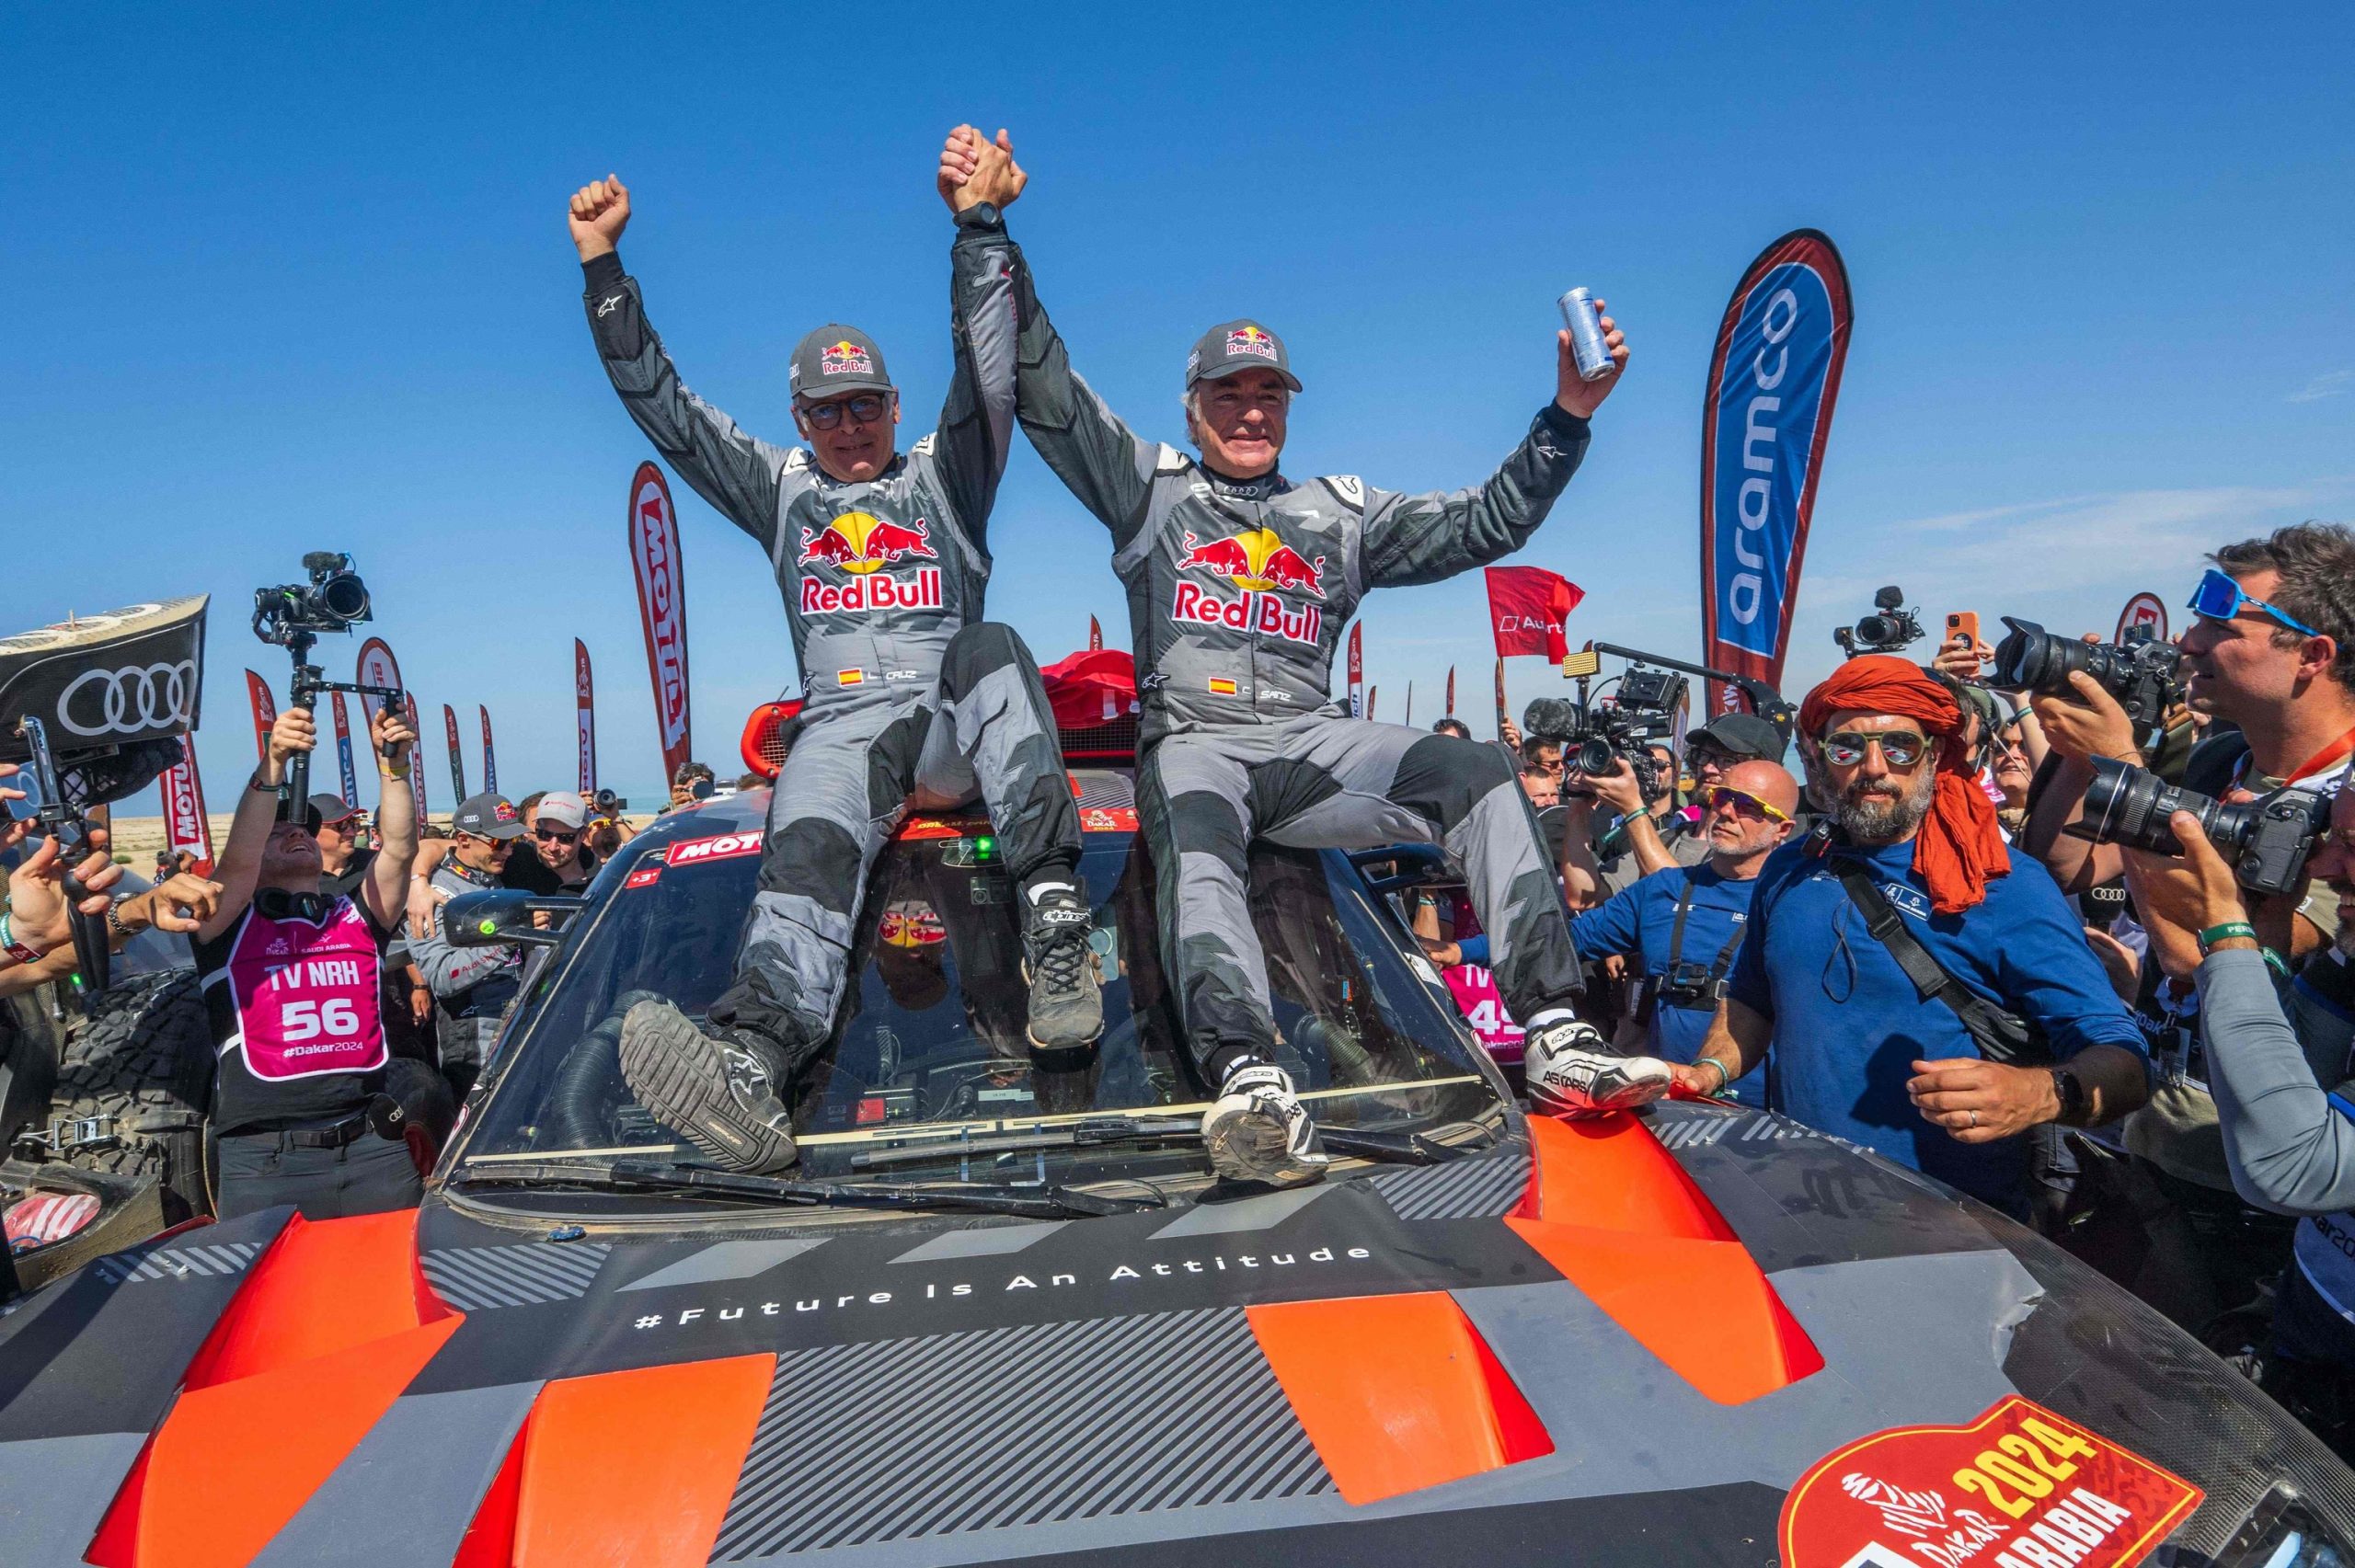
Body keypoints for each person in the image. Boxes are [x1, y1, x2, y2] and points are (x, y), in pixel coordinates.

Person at [960, 127, 1646, 1180]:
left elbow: (1488, 523)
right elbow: (1044, 383)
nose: (1248, 409)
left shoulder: (1340, 514)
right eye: (1228, 394)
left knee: (1474, 769)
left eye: (1267, 393)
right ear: (1192, 409)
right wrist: (987, 226)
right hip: (1197, 744)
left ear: (1287, 406)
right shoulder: (1150, 489)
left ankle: (1553, 1032)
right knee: (1190, 822)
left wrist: (1567, 416)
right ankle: (1248, 1074)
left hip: (1310, 745)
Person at [569, 129, 1098, 1175]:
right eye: (828, 410)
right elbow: (664, 411)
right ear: (799, 419)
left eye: (866, 405)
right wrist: (602, 269)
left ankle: (1053, 920)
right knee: (802, 849)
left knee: (991, 643)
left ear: (894, 408)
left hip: (954, 731)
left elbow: (988, 371)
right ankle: (753, 1062)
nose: (850, 425)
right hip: (842, 736)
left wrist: (978, 228)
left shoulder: (947, 474)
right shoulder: (780, 491)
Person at [1653, 657, 2152, 1215]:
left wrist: (2038, 1094)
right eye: (1847, 748)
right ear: (1818, 761)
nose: (1873, 768)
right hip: (1800, 1194)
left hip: (1954, 1218)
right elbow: (1751, 1000)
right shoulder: (1789, 867)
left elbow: (2125, 1063)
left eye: (1899, 747)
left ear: (1934, 755)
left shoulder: (2002, 884)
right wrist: (1707, 1071)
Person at [2119, 789, 2355, 1455]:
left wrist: (2226, 931)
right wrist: (2267, 925)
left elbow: (2289, 1165)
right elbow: (2285, 1073)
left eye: (2351, 846)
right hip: (2313, 1326)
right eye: (2326, 840)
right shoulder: (2352, 957)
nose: (2328, 869)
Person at [189, 703, 423, 1219]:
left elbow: (401, 851)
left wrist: (395, 769)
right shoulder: (224, 926)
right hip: (265, 1162)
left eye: (304, 830)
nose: (297, 833)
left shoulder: (353, 917)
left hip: (373, 1149)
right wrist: (273, 765)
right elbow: (238, 861)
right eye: (279, 830)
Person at [1566, 761, 1800, 1101]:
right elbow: (1564, 940)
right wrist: (1464, 951)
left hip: (1763, 1110)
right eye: (1722, 798)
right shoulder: (1664, 888)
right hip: (1670, 1100)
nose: (1728, 812)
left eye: (1749, 806)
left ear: (1782, 828)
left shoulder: (1796, 901)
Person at [410, 792, 530, 1100]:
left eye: (512, 842)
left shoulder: (490, 877)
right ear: (463, 840)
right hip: (471, 1031)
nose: (507, 851)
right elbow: (441, 977)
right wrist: (508, 940)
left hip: (513, 1019)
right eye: (498, 843)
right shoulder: (433, 895)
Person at [310, 795, 373, 900]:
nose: (352, 833)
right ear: (312, 830)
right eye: (341, 826)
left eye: (353, 824)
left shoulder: (373, 863)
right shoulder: (297, 877)